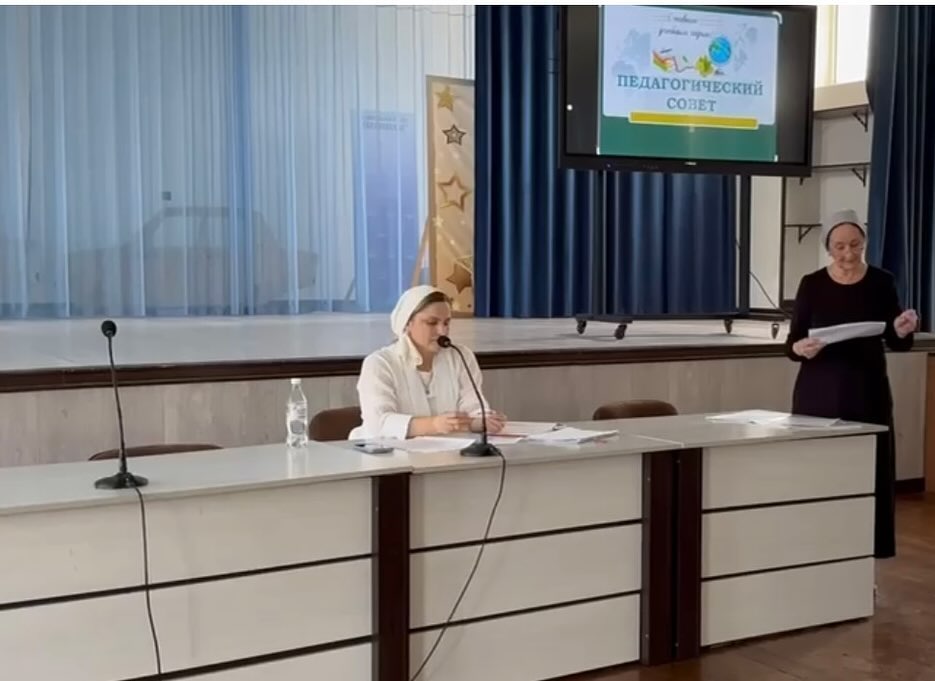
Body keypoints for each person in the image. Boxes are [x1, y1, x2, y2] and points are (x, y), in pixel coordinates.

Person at [784, 208, 919, 559]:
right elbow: (792, 343)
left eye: (855, 245)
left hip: (867, 390)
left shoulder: (881, 281)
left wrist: (902, 329)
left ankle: (866, 560)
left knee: (870, 473)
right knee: (820, 473)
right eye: (840, 247)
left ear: (864, 242)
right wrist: (800, 348)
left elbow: (897, 341)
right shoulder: (812, 283)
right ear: (828, 246)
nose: (848, 254)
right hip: (818, 392)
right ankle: (815, 554)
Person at [350, 285, 506, 440]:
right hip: (384, 452)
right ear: (407, 323)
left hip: (446, 450)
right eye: (432, 323)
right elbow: (379, 423)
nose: (442, 331)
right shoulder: (379, 363)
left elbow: (473, 408)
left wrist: (482, 421)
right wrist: (434, 425)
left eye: (446, 323)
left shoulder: (461, 356)